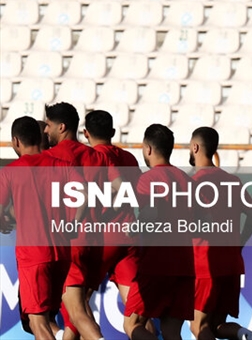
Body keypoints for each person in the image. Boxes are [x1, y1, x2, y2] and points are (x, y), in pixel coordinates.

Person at [189, 127, 252, 340]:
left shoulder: (193, 184)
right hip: (231, 263)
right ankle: (247, 335)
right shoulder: (233, 181)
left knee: (198, 327)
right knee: (216, 325)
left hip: (206, 263)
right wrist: (239, 242)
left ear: (195, 147)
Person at [0, 117, 72, 340]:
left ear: (15, 141)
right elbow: (86, 198)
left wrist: (3, 222)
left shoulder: (11, 171)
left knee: (37, 322)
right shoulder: (60, 165)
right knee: (54, 319)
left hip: (34, 256)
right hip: (62, 253)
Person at [123, 124, 196, 340]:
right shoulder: (188, 180)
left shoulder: (147, 180)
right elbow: (203, 218)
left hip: (157, 262)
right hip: (185, 262)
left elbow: (151, 213)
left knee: (132, 324)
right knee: (172, 330)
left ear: (148, 149)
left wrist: (134, 228)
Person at [44, 102, 108, 340]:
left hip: (70, 240)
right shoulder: (96, 156)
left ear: (61, 127)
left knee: (76, 312)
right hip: (95, 239)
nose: (45, 131)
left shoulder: (51, 157)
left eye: (48, 125)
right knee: (77, 314)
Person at [84, 109, 142, 307]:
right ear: (113, 132)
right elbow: (140, 193)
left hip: (104, 236)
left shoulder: (92, 157)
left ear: (85, 133)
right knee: (135, 308)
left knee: (78, 304)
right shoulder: (129, 158)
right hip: (129, 236)